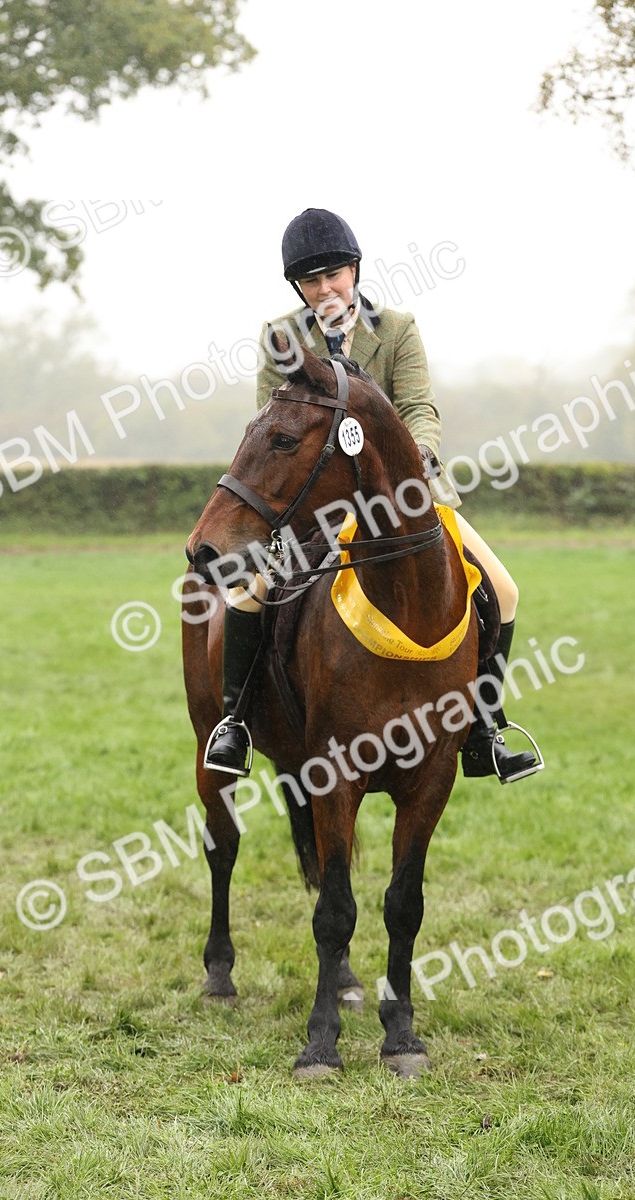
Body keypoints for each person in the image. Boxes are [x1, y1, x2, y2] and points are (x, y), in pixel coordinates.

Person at [204, 208, 541, 784]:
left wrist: (418, 463)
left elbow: (419, 409)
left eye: (334, 274)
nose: (325, 288)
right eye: (312, 281)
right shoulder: (283, 339)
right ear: (299, 288)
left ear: (355, 270)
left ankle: (486, 728)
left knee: (503, 591)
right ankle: (236, 724)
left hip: (402, 498)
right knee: (247, 596)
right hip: (318, 507)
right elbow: (270, 419)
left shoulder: (399, 329)